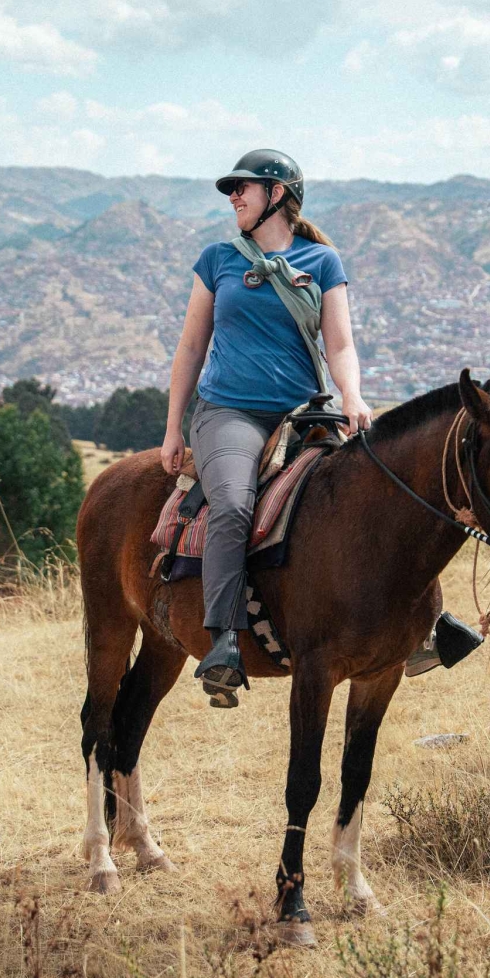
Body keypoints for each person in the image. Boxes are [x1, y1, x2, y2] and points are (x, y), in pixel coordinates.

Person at [162, 149, 373, 708]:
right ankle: (224, 641)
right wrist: (173, 428)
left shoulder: (322, 261)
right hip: (229, 412)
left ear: (277, 194)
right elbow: (191, 347)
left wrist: (352, 396)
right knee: (233, 505)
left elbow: (340, 345)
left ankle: (422, 624)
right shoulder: (217, 259)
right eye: (231, 189)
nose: (233, 196)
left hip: (306, 412)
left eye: (244, 187)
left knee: (374, 489)